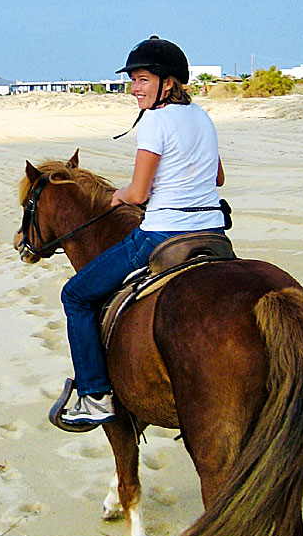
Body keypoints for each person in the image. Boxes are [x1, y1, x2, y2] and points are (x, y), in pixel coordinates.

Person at [61, 35, 226, 426]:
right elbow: (217, 176)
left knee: (76, 296)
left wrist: (117, 195)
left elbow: (138, 193)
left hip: (162, 235)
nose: (134, 88)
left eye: (143, 80)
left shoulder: (154, 121)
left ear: (168, 83)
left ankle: (94, 395)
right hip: (214, 233)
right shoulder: (202, 116)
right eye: (132, 80)